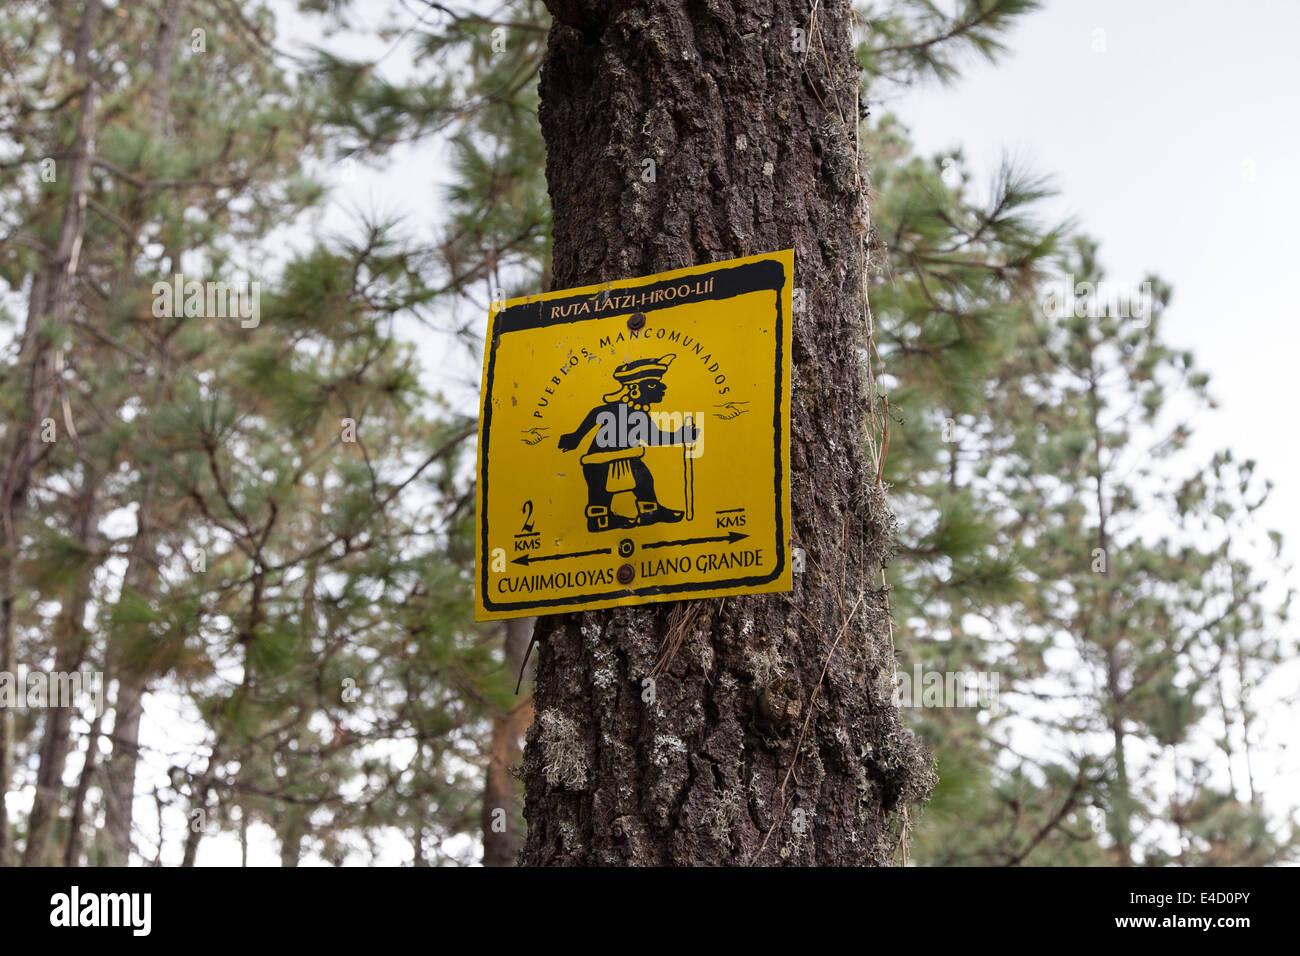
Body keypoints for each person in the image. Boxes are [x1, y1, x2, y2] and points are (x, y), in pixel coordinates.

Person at [558, 353, 698, 531]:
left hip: (623, 458)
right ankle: (601, 519)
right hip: (600, 462)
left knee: (643, 482)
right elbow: (596, 414)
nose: (662, 387)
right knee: (605, 491)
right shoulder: (628, 411)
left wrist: (681, 436)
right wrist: (575, 437)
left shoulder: (637, 413)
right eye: (653, 384)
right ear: (634, 389)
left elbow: (651, 437)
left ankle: (648, 514)